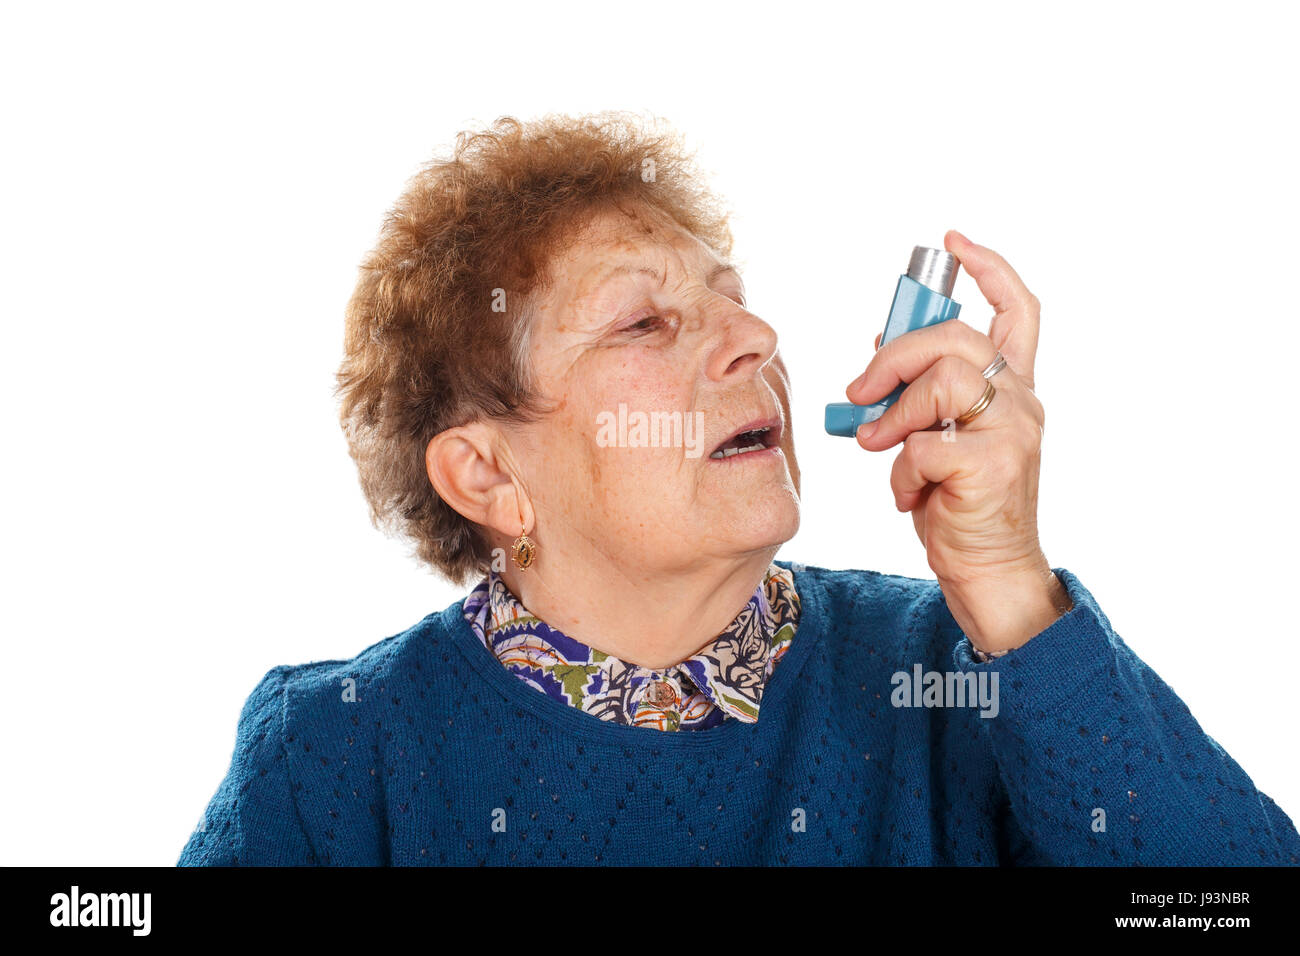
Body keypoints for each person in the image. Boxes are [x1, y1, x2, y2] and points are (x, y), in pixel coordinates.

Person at [178, 112, 1299, 865]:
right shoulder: (336, 755)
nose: (756, 338)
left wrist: (1008, 583)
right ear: (489, 473)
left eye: (733, 301)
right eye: (643, 321)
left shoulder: (955, 678)